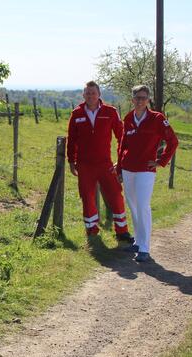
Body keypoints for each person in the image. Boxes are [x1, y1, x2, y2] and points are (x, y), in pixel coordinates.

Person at [117, 84, 179, 262]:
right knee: (133, 206)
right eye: (137, 97)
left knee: (143, 205)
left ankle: (144, 247)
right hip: (128, 168)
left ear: (148, 100)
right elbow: (123, 145)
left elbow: (173, 141)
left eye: (144, 97)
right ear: (132, 99)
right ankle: (137, 241)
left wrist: (161, 161)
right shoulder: (128, 118)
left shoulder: (157, 119)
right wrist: (119, 167)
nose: (140, 100)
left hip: (146, 170)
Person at [67, 81, 134, 243]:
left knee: (116, 195)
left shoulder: (110, 112)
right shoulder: (76, 114)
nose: (90, 96)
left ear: (99, 95)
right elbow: (72, 140)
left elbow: (122, 137)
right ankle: (92, 230)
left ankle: (122, 231)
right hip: (84, 165)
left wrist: (121, 160)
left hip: (105, 164)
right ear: (83, 95)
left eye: (93, 93)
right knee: (87, 197)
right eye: (88, 93)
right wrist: (71, 161)